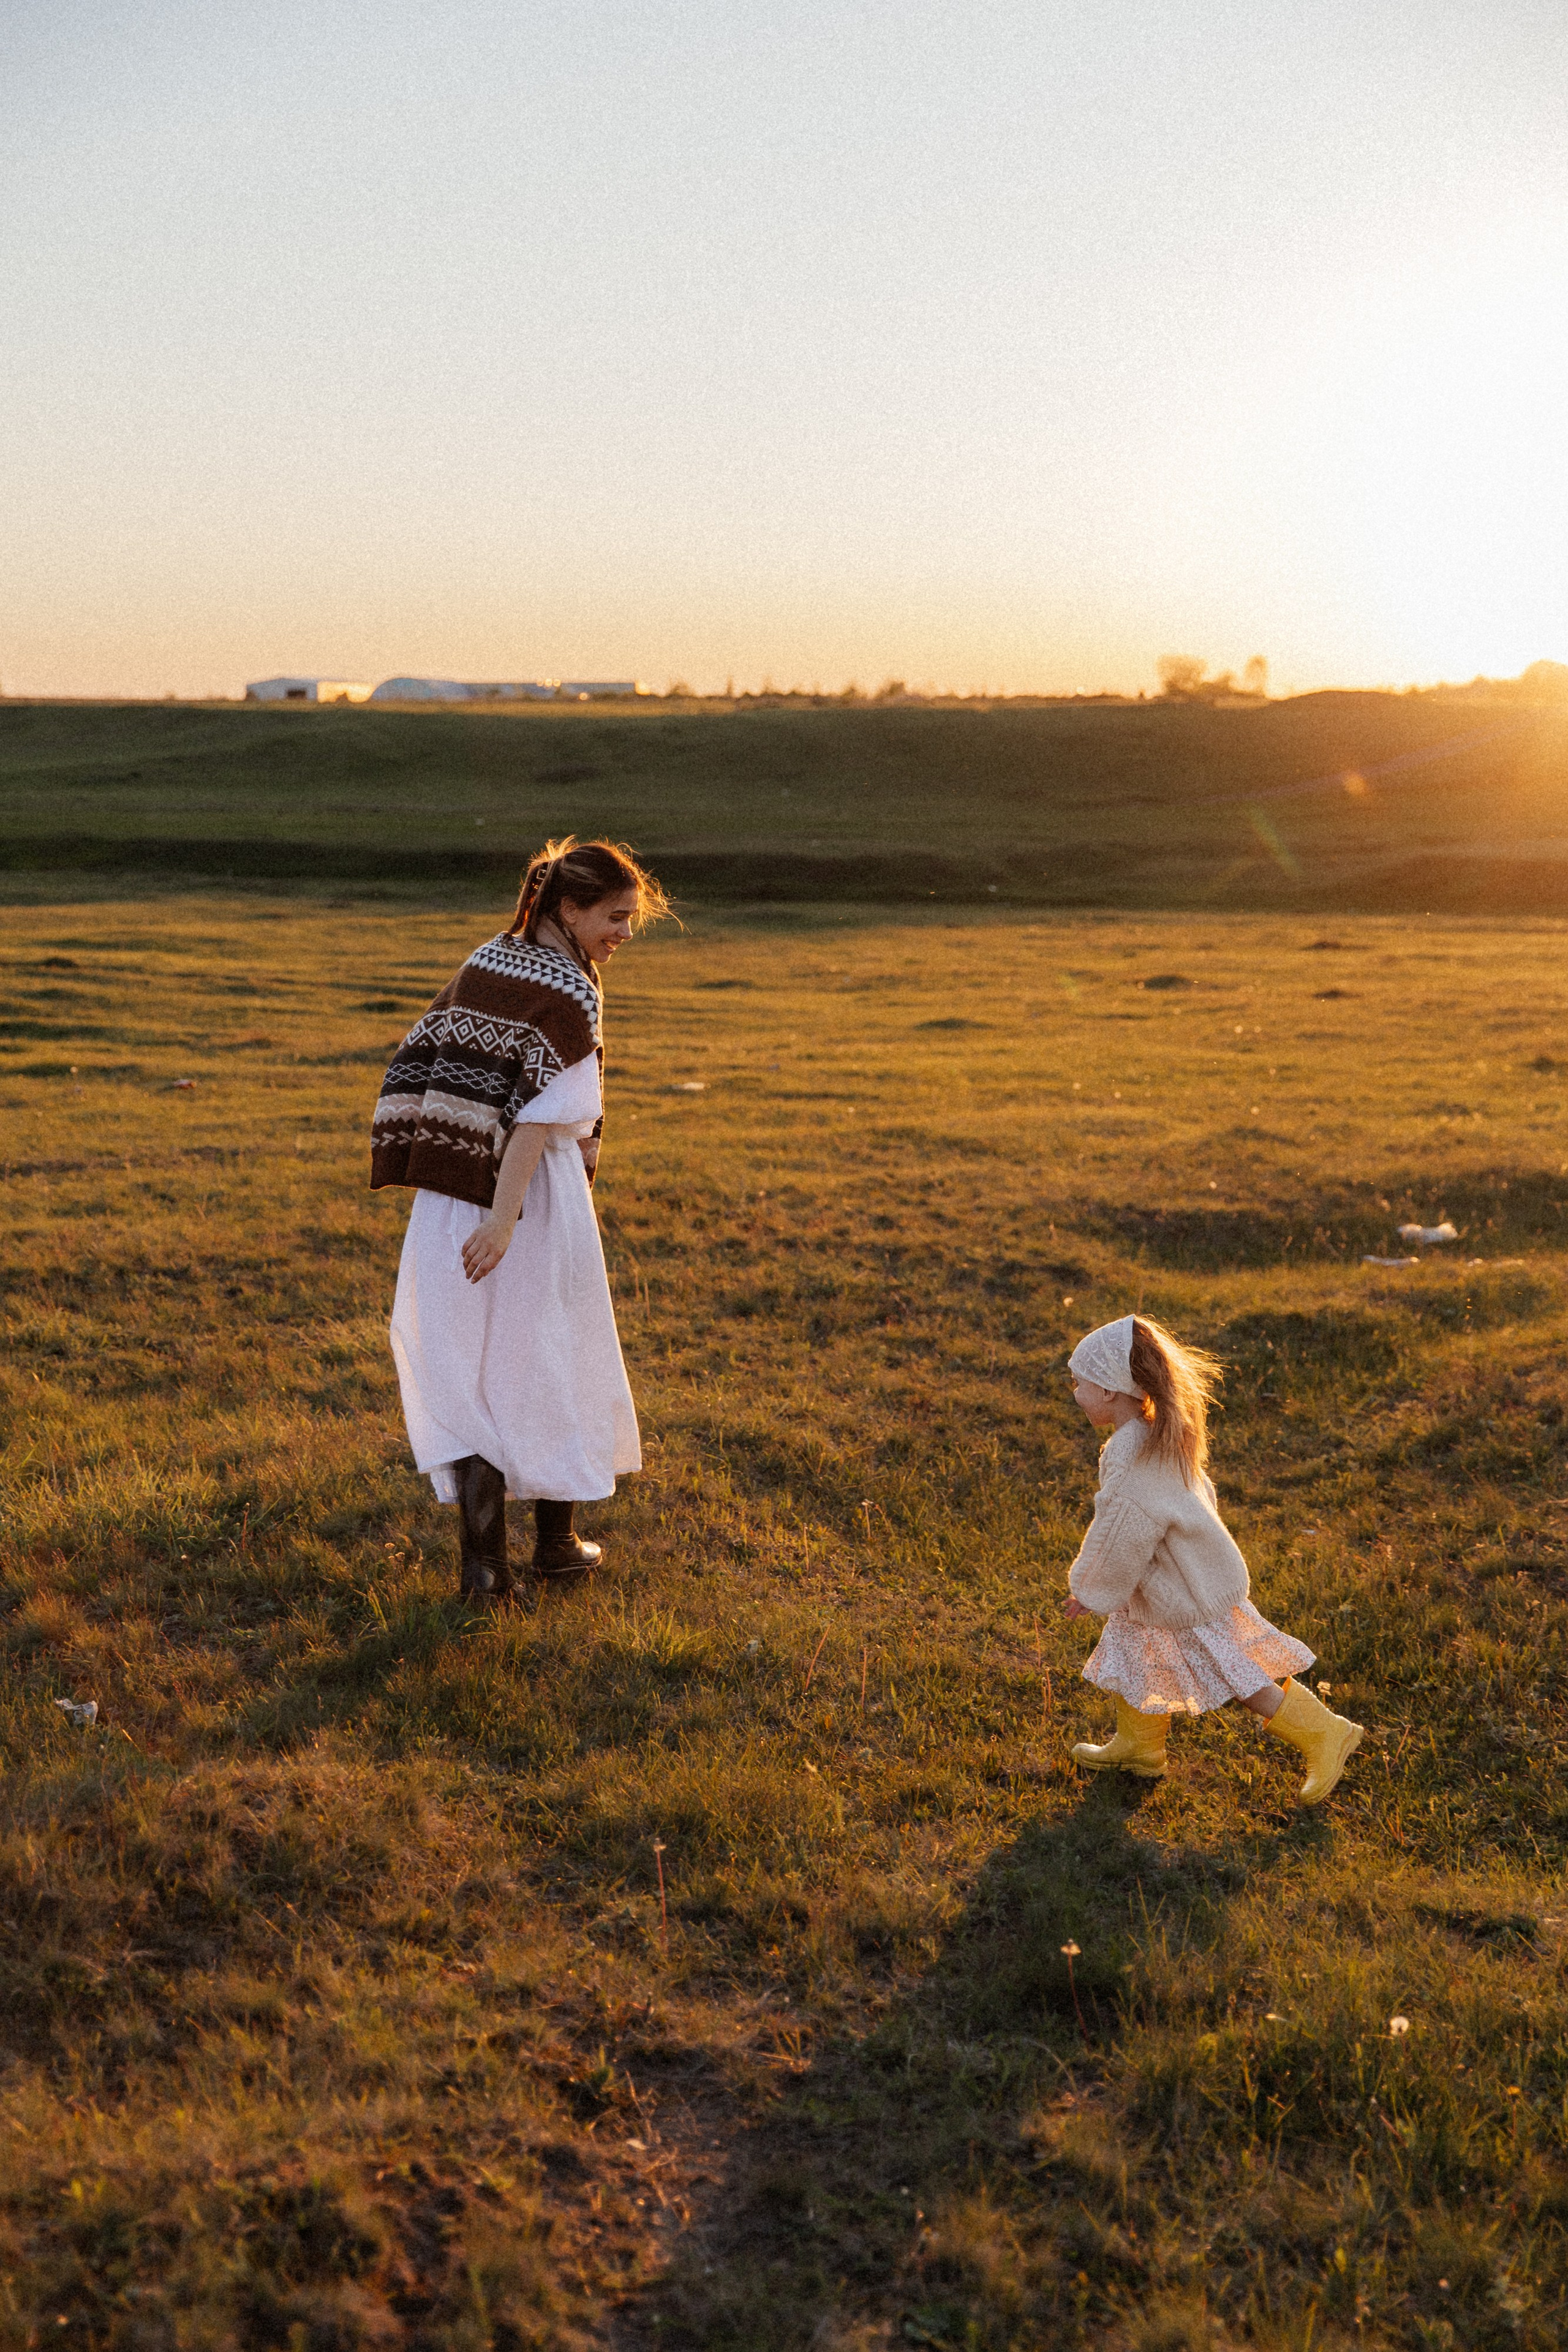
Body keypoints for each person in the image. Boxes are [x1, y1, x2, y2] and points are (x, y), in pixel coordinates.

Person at [370, 837, 669, 1600]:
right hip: (528, 1200)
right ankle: (557, 1547)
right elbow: (538, 1122)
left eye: (631, 919)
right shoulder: (569, 990)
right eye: (615, 917)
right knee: (547, 1355)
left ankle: (484, 1573)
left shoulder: (487, 960)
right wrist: (504, 1222)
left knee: (469, 1366)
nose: (624, 935)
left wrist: (433, 1159)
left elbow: (421, 1054)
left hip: (451, 1195)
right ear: (568, 908)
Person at [1061, 1314, 1363, 1804]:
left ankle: (1325, 1734)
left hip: (1183, 1588)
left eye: (1081, 1384)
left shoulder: (1132, 1452)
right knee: (1138, 1648)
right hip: (1178, 1575)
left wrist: (1091, 1588)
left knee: (1235, 1673)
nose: (1075, 1393)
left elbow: (1123, 1528)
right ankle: (1140, 1747)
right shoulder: (1159, 1432)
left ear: (1112, 1391)